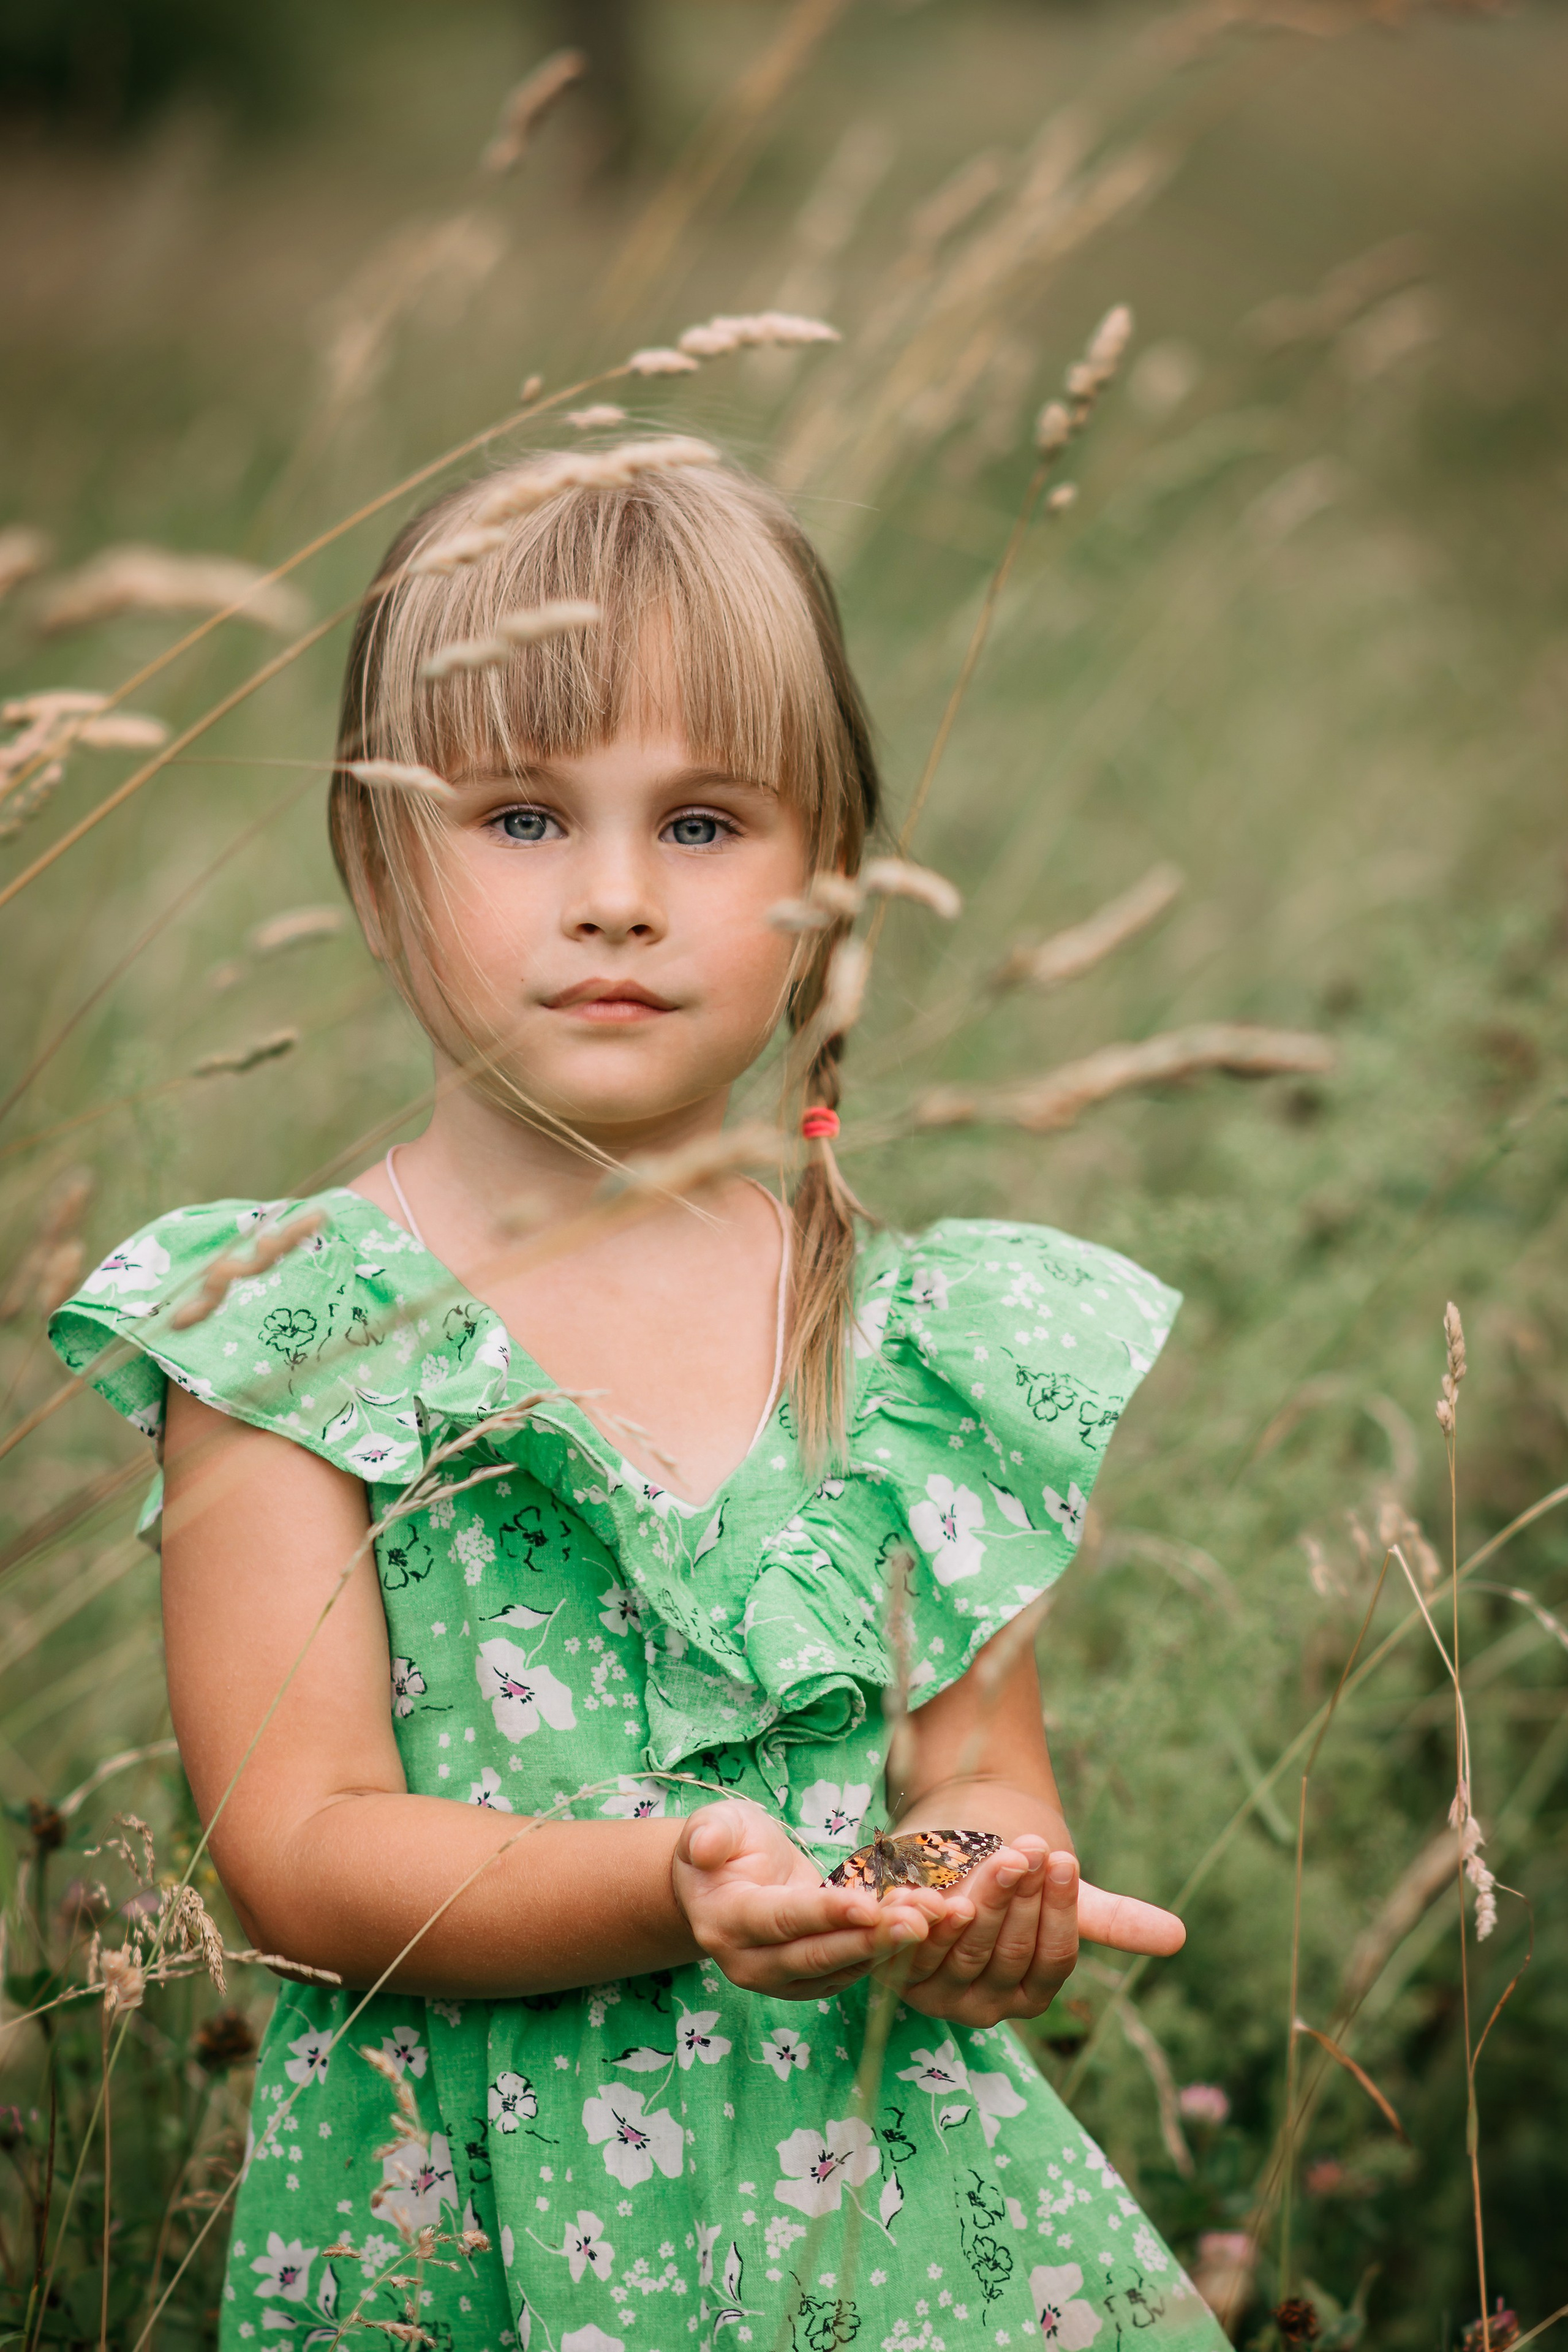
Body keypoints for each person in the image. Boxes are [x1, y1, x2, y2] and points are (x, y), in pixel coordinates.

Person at [51, 450, 1228, 2352]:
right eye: (519, 818)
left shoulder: (898, 1337)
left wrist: (980, 1887)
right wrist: (676, 1890)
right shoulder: (291, 1336)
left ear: (828, 891)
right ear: (374, 861)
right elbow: (301, 1844)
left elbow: (974, 1760)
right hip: (476, 2239)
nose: (613, 899)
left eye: (701, 825)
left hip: (885, 2229)